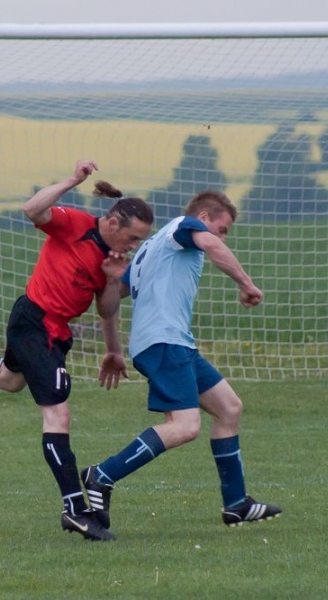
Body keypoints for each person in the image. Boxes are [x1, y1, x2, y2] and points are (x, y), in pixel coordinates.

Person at [0, 160, 153, 540]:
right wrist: (72, 180)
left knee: (8, 380)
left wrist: (113, 283)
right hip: (34, 322)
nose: (134, 247)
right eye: (133, 238)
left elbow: (106, 308)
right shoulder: (77, 225)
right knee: (58, 415)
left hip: (53, 332)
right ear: (113, 223)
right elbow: (32, 210)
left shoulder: (114, 260)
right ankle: (75, 508)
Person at [80, 190, 282, 535]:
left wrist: (113, 342)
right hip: (164, 343)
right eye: (222, 228)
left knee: (229, 408)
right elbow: (214, 248)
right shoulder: (184, 226)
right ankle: (103, 475)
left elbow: (109, 303)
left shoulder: (149, 249)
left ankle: (236, 505)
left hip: (173, 343)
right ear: (203, 218)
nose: (221, 237)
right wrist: (246, 284)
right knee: (185, 426)